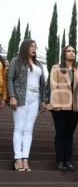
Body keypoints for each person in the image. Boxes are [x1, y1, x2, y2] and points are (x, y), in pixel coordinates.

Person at [7, 39, 46, 171]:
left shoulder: (38, 64)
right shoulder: (16, 61)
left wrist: (43, 101)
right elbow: (10, 79)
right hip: (20, 98)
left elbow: (42, 84)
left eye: (35, 46)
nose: (34, 49)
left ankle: (25, 159)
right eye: (31, 46)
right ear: (25, 48)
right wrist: (12, 96)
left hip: (35, 99)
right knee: (19, 128)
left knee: (29, 129)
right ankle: (17, 159)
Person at [47, 45, 78, 171]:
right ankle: (60, 161)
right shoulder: (56, 67)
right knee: (60, 134)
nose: (72, 53)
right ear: (64, 53)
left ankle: (68, 161)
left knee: (70, 135)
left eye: (73, 51)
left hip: (74, 107)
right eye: (69, 51)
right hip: (60, 106)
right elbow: (53, 86)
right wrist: (55, 105)